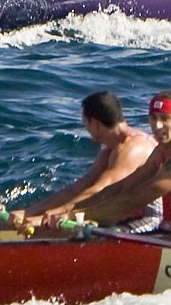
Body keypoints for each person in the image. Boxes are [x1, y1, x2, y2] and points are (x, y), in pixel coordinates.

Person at [72, 93, 171, 236]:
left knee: (99, 233)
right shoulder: (162, 149)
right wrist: (72, 208)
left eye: (165, 119)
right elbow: (125, 186)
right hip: (169, 233)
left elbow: (132, 200)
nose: (157, 126)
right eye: (153, 118)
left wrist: (75, 216)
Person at [9, 91, 159, 231]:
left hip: (152, 220)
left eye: (85, 123)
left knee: (69, 230)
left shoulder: (134, 149)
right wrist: (29, 212)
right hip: (122, 213)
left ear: (95, 123)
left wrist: (57, 213)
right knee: (55, 227)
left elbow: (102, 189)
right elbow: (80, 187)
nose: (85, 128)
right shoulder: (110, 149)